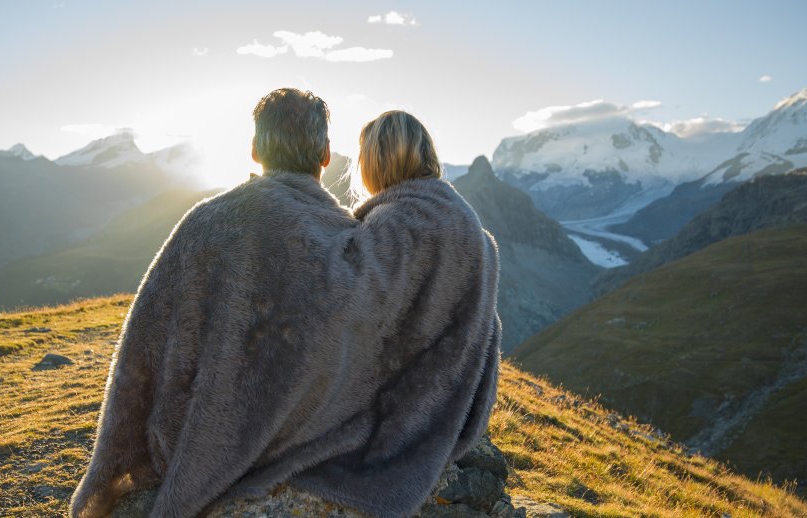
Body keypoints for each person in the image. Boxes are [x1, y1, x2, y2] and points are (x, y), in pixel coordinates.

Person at [70, 91, 500, 518]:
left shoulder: (203, 222)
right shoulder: (345, 239)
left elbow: (143, 345)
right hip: (309, 430)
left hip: (197, 429)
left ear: (255, 149)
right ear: (327, 155)